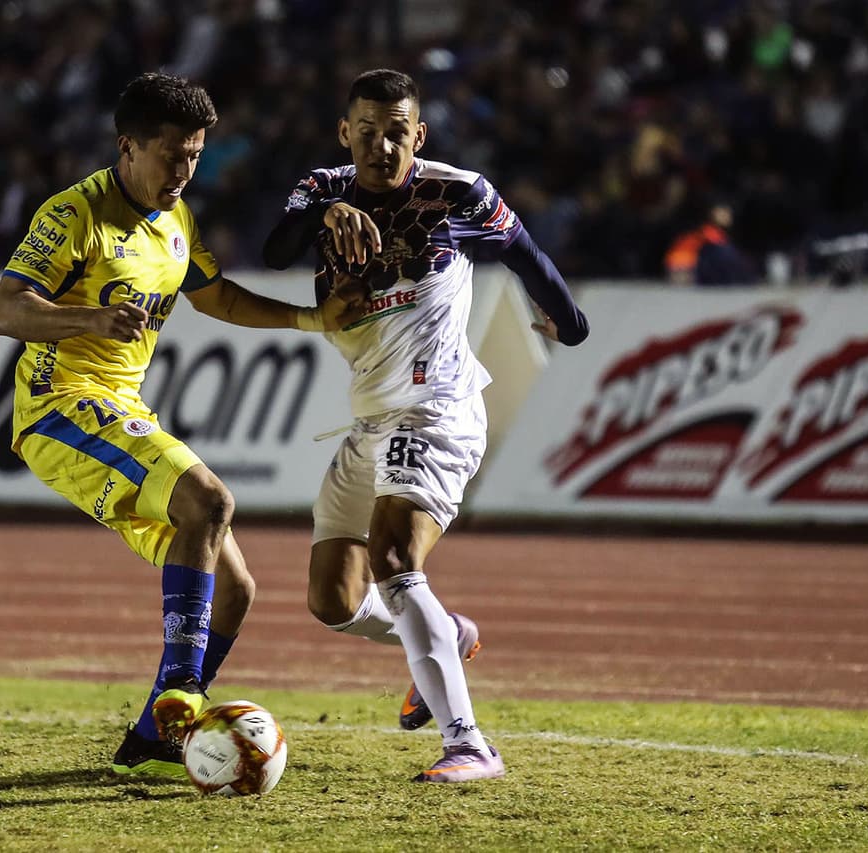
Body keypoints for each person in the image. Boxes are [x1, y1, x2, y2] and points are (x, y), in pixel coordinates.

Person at [0, 72, 360, 778]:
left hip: (119, 408)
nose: (184, 172)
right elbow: (3, 310)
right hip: (59, 403)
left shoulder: (176, 219)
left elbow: (214, 295)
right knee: (210, 500)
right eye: (171, 156)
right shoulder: (75, 215)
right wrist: (87, 318)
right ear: (128, 147)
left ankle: (153, 736)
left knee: (238, 587)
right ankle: (183, 695)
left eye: (194, 156)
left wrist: (309, 318)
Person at [261, 69, 589, 783]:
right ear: (346, 133)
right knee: (333, 599)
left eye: (398, 131)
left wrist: (570, 322)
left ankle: (469, 742)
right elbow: (274, 251)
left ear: (420, 132)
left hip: (437, 407)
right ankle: (446, 634)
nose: (383, 145)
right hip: (372, 415)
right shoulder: (321, 190)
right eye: (368, 131)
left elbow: (526, 256)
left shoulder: (458, 193)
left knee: (396, 555)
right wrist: (325, 216)